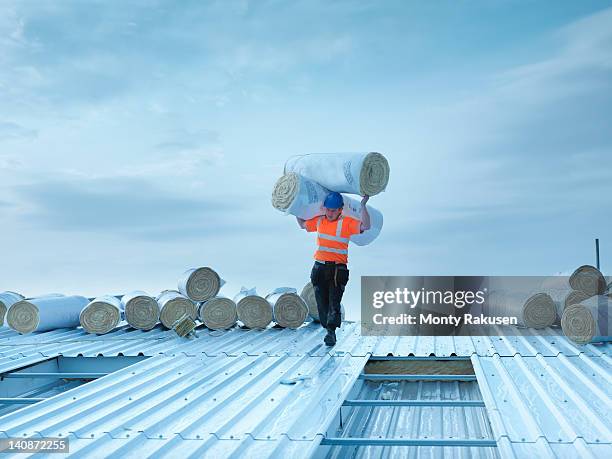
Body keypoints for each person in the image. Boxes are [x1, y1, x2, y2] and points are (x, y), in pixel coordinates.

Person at [296, 192, 371, 346]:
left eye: (333, 210)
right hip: (319, 267)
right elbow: (302, 224)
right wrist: (295, 207)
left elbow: (366, 226)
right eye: (328, 210)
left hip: (338, 270)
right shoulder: (319, 221)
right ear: (325, 209)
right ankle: (327, 328)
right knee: (321, 301)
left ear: (340, 209)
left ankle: (331, 332)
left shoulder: (347, 223)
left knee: (334, 301)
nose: (330, 213)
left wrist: (362, 206)